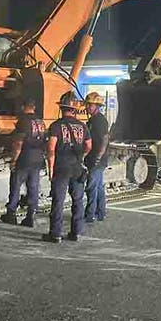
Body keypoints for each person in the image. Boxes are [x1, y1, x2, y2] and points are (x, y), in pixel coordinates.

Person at [43, 91, 91, 243]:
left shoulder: (56, 126)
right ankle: (76, 232)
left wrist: (50, 169)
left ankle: (55, 234)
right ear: (74, 110)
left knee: (58, 201)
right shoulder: (83, 126)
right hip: (77, 167)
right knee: (77, 200)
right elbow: (89, 146)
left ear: (62, 109)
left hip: (61, 167)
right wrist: (81, 156)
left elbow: (51, 149)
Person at [0, 98, 46, 228]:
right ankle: (31, 216)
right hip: (38, 158)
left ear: (24, 107)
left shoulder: (23, 121)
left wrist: (14, 160)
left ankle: (11, 214)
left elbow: (18, 142)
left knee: (15, 185)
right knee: (33, 187)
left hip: (24, 158)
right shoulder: (40, 122)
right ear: (34, 107)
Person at [83, 92, 110, 223]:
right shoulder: (92, 120)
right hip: (96, 158)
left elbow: (105, 139)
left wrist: (98, 157)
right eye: (87, 105)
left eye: (90, 105)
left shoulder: (100, 120)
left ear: (97, 106)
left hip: (96, 159)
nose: (88, 107)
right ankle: (100, 212)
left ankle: (90, 214)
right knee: (98, 187)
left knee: (91, 187)